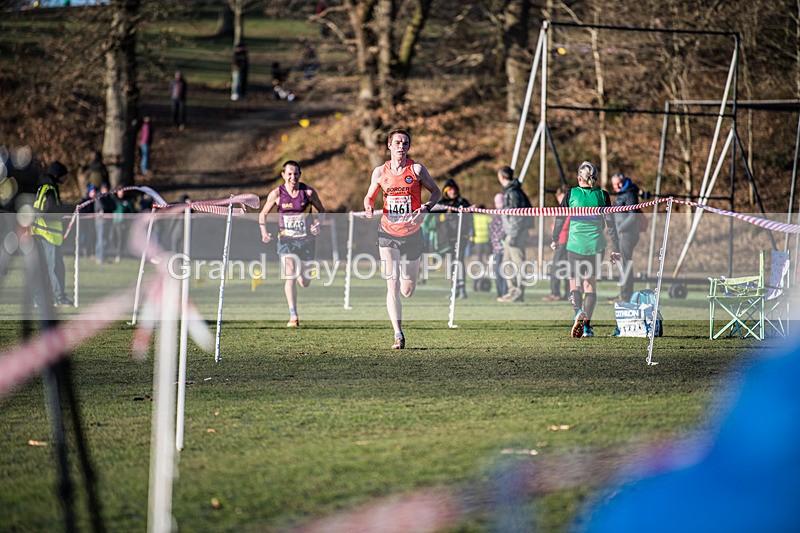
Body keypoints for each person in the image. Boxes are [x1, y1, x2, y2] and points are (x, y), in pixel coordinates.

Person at [363, 128, 441, 349]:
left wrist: (426, 207)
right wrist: (368, 206)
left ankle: (401, 321)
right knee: (393, 284)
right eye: (397, 142)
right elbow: (369, 196)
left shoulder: (416, 170)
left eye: (405, 143)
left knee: (407, 290)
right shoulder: (380, 172)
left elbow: (436, 192)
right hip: (387, 233)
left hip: (412, 234)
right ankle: (398, 334)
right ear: (389, 145)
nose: (401, 146)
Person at [551, 161, 621, 338]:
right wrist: (616, 248)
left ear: (579, 178)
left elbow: (560, 218)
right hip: (596, 245)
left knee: (575, 282)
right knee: (590, 284)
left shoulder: (571, 194)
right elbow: (610, 224)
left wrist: (554, 238)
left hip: (575, 245)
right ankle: (587, 327)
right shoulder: (602, 195)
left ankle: (577, 312)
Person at [259, 161, 326, 328]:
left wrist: (318, 224)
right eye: (289, 174)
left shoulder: (308, 192)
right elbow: (263, 214)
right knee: (290, 275)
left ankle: (306, 274)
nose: (293, 177)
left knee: (304, 281)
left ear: (300, 175)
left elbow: (322, 211)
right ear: (283, 175)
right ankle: (293, 315)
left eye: (295, 174)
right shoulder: (277, 194)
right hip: (286, 241)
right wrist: (264, 232)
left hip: (306, 241)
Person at [30, 161, 72, 307]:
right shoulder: (49, 188)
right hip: (48, 234)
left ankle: (39, 299)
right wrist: (70, 209)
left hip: (39, 233)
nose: (65, 178)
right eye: (64, 175)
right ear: (57, 174)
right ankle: (58, 298)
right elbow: (49, 211)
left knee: (43, 269)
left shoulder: (42, 185)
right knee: (55, 268)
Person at [496, 165, 532, 303]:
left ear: (501, 176)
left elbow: (517, 216)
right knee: (507, 263)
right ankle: (512, 291)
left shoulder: (513, 193)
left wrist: (513, 234)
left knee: (518, 263)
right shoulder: (510, 191)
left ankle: (518, 292)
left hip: (516, 233)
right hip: (510, 232)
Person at [436, 178, 472, 299]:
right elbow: (435, 220)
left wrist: (471, 233)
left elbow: (470, 218)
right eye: (450, 190)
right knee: (451, 263)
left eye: (454, 189)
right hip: (447, 239)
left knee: (459, 261)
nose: (452, 192)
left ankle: (462, 288)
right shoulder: (441, 204)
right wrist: (445, 216)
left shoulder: (462, 202)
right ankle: (454, 289)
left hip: (461, 236)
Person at [610, 172, 642, 302]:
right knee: (623, 263)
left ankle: (625, 295)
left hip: (627, 234)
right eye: (614, 184)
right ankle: (624, 293)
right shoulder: (622, 194)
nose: (617, 186)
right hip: (622, 234)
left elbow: (633, 216)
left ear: (624, 181)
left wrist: (619, 228)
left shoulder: (629, 194)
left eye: (619, 183)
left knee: (624, 263)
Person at [543, 187, 570, 301]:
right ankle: (567, 294)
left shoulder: (568, 209)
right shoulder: (563, 209)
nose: (560, 200)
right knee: (565, 268)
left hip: (564, 241)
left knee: (557, 268)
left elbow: (564, 225)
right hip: (563, 241)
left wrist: (555, 229)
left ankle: (556, 293)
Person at [488, 192, 507, 298]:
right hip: (499, 248)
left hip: (500, 248)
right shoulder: (498, 215)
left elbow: (492, 231)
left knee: (501, 270)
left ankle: (502, 292)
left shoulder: (500, 214)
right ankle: (502, 292)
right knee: (500, 271)